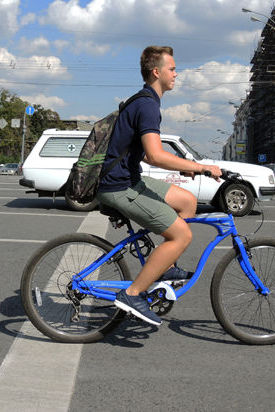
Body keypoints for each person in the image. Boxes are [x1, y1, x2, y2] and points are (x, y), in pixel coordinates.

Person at [96, 46, 222, 326]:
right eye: (172, 69)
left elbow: (139, 152)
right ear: (157, 72)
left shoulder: (144, 101)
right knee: (181, 236)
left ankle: (165, 268)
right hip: (118, 186)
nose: (177, 73)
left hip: (130, 178)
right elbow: (154, 155)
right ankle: (132, 293)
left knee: (187, 201)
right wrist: (200, 167)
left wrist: (184, 167)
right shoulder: (148, 104)